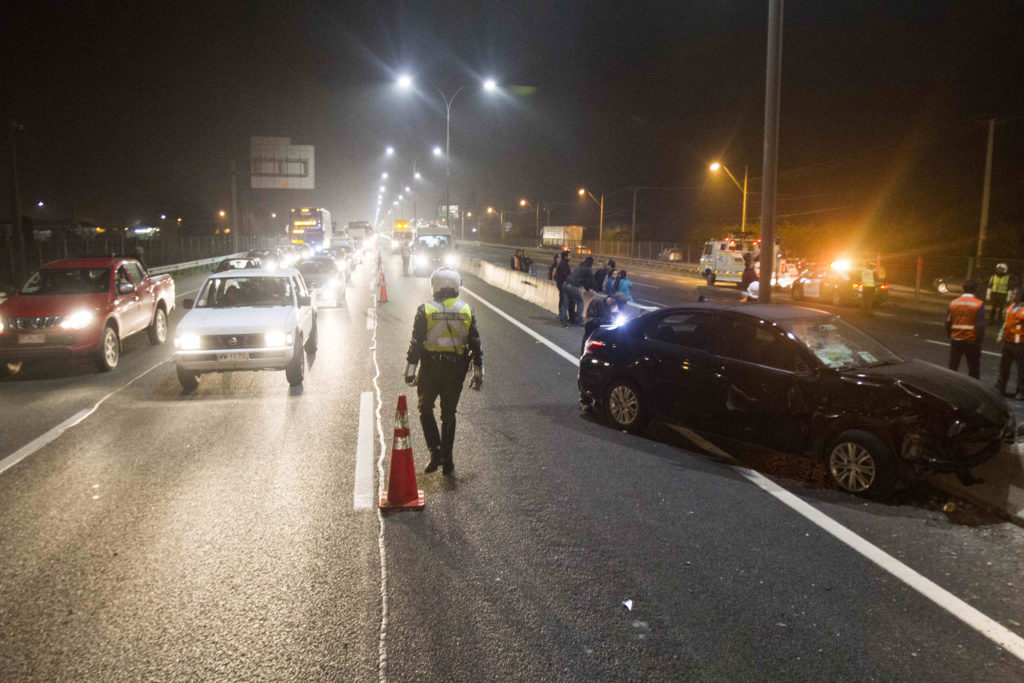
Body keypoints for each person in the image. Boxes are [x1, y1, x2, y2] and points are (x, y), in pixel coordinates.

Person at [405, 267, 484, 475]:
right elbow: (476, 344)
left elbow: (415, 343)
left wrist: (410, 370)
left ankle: (436, 451)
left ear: (435, 286)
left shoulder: (425, 310)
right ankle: (446, 459)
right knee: (448, 413)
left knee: (425, 408)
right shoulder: (467, 309)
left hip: (431, 368)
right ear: (457, 286)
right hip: (456, 370)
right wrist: (478, 371)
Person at [946, 280, 985, 379]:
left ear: (963, 289)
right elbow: (980, 325)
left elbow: (948, 322)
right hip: (971, 340)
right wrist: (979, 341)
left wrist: (950, 335)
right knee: (973, 368)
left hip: (956, 338)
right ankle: (974, 386)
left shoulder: (953, 303)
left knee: (953, 366)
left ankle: (949, 384)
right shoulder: (978, 304)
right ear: (975, 290)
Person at [564, 256, 596, 326]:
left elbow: (583, 280)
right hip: (573, 286)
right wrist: (591, 288)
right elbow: (592, 280)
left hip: (566, 284)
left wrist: (587, 288)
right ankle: (578, 320)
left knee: (571, 302)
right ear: (591, 263)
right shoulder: (587, 269)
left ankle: (571, 319)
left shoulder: (579, 267)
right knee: (580, 302)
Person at [988, 263, 1010, 329]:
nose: (999, 270)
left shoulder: (1008, 277)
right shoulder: (993, 276)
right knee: (993, 308)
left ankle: (1000, 321)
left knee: (1001, 309)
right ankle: (991, 320)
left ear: (1005, 269)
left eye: (1001, 269)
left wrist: (1009, 296)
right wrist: (988, 294)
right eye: (998, 269)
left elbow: (1009, 287)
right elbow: (990, 286)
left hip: (1003, 294)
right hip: (994, 294)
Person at [555, 251, 573, 326]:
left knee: (562, 301)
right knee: (564, 302)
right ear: (565, 256)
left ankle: (562, 316)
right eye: (570, 255)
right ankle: (563, 318)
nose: (571, 256)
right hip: (563, 286)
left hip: (561, 285)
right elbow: (567, 275)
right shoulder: (564, 264)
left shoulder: (563, 263)